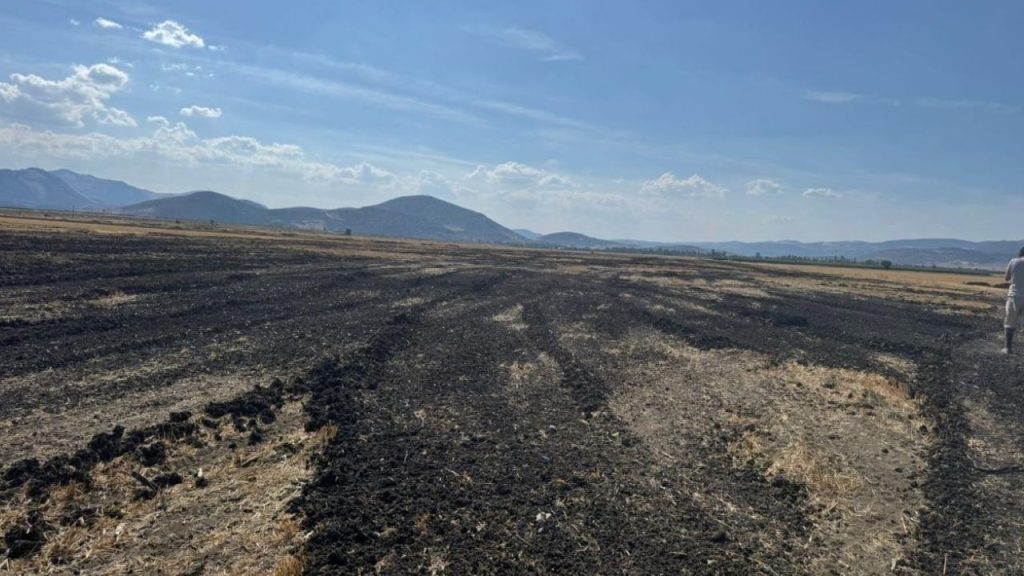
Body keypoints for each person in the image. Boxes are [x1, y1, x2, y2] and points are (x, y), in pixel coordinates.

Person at [1004, 247, 1024, 353]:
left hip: (1014, 295)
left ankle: (1008, 348)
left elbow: (1006, 278)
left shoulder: (1013, 261)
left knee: (1010, 321)